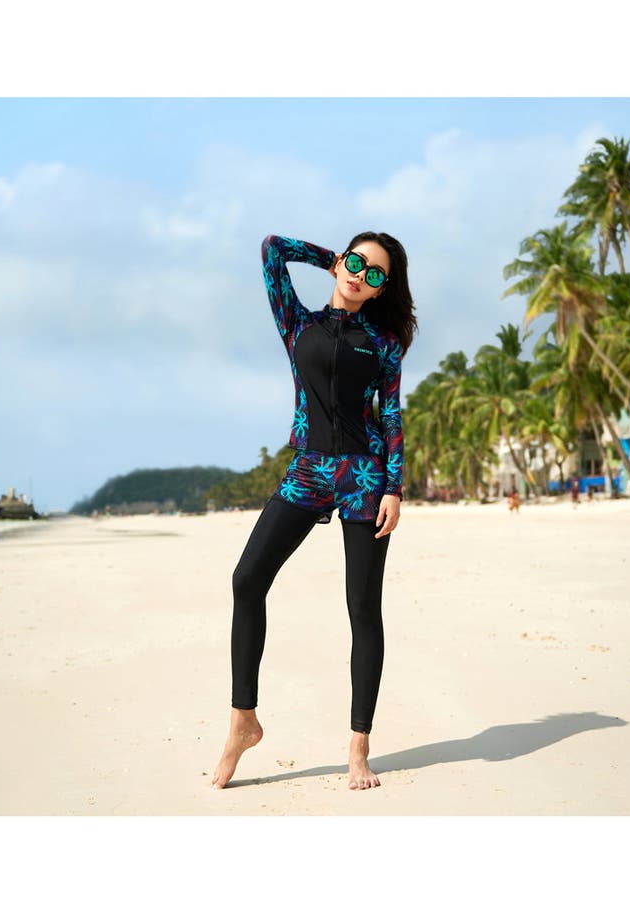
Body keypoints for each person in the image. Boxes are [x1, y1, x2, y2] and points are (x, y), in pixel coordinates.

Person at [211, 233, 417, 792]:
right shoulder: (296, 322)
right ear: (341, 261)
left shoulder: (383, 342)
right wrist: (329, 259)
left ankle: (358, 747)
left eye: (375, 274)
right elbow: (271, 249)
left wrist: (394, 488)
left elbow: (391, 416)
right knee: (247, 580)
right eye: (356, 263)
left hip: (365, 478)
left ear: (382, 289)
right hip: (308, 470)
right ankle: (243, 720)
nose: (360, 276)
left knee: (362, 609)